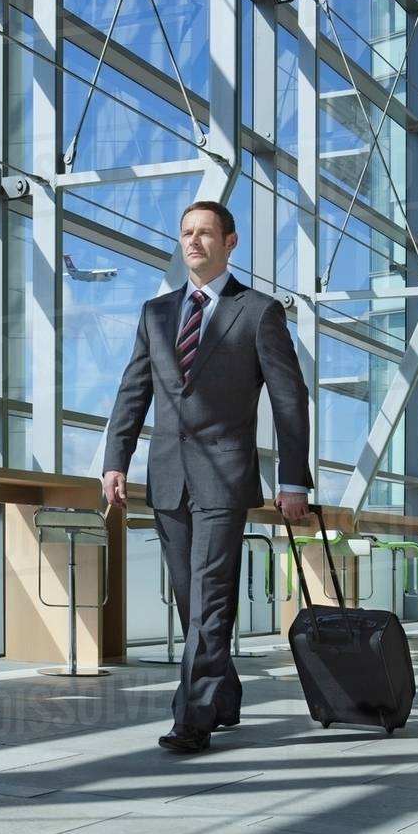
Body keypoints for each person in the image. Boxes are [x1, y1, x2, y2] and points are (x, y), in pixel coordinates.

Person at [102, 201, 311, 752]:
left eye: (205, 233)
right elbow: (133, 390)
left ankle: (191, 718)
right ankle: (224, 695)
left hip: (224, 476)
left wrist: (293, 480)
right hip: (167, 475)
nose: (193, 242)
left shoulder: (259, 312)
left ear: (230, 242)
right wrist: (115, 460)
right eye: (186, 233)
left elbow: (289, 400)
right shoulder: (155, 313)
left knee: (211, 597)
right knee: (189, 597)